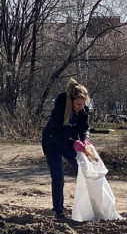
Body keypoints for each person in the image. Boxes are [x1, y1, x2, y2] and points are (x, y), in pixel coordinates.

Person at [41, 79, 95, 219]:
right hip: (52, 142)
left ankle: (87, 206)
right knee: (58, 176)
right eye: (78, 104)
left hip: (69, 142)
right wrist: (74, 143)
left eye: (83, 104)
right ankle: (58, 210)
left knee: (83, 169)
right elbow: (57, 132)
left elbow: (84, 128)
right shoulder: (60, 107)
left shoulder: (83, 109)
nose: (80, 107)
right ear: (71, 101)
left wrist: (86, 140)